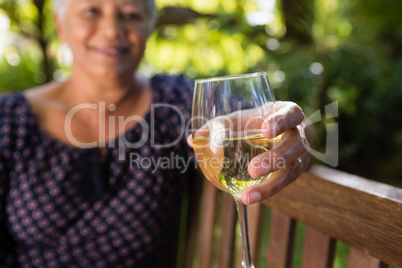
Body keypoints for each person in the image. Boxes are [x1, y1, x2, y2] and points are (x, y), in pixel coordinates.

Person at [0, 0, 310, 266]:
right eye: (92, 10)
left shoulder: (171, 104)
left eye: (131, 14)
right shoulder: (9, 122)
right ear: (60, 24)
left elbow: (256, 120)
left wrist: (291, 130)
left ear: (150, 25)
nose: (112, 30)